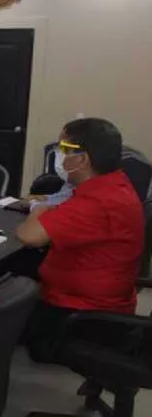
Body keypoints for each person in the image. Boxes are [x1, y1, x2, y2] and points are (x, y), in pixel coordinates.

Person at [15, 118, 144, 362]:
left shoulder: (98, 201)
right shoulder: (114, 185)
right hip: (98, 301)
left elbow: (28, 235)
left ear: (83, 159)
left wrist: (39, 211)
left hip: (83, 316)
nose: (60, 156)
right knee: (22, 268)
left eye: (64, 149)